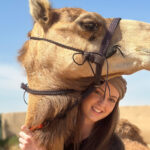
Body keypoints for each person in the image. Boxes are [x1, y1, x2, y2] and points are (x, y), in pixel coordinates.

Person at [19, 76, 127, 150]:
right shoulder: (53, 132)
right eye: (98, 93)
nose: (102, 104)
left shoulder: (113, 146)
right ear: (84, 92)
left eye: (111, 99)